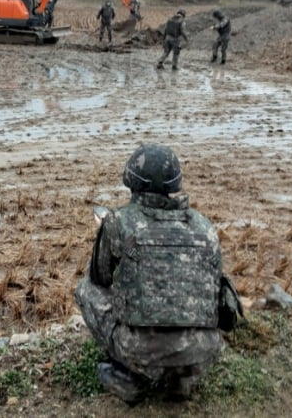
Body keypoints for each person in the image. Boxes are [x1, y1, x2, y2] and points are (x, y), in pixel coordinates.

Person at [75, 143, 228, 403]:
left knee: (85, 290)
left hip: (139, 350)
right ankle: (180, 380)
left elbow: (100, 278)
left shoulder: (117, 222)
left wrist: (106, 234)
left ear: (131, 180)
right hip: (203, 350)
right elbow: (215, 290)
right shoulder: (205, 227)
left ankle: (128, 376)